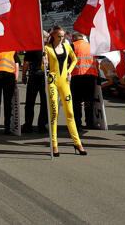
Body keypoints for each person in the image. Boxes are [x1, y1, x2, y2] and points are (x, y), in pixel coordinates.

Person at [44, 25, 86, 155]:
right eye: (59, 36)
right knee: (54, 112)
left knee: (70, 113)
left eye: (63, 36)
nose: (61, 38)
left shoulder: (67, 47)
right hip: (52, 81)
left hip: (65, 82)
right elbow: (43, 66)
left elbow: (75, 60)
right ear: (54, 36)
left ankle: (77, 143)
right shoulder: (47, 48)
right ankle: (54, 144)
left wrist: (69, 71)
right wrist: (44, 63)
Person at [70, 32, 98, 129]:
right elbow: (96, 61)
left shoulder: (72, 46)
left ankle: (77, 123)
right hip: (91, 75)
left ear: (74, 38)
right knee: (89, 101)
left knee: (76, 101)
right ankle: (89, 122)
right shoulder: (91, 46)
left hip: (76, 75)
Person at [22, 34, 48, 134]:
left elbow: (26, 63)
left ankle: (28, 125)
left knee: (30, 102)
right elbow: (26, 63)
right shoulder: (48, 48)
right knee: (43, 102)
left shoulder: (33, 48)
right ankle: (41, 125)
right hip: (43, 76)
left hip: (34, 75)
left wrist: (24, 75)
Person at [0, 50, 18, 135]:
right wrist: (16, 79)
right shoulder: (12, 50)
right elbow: (16, 64)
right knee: (7, 104)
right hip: (9, 77)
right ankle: (7, 128)